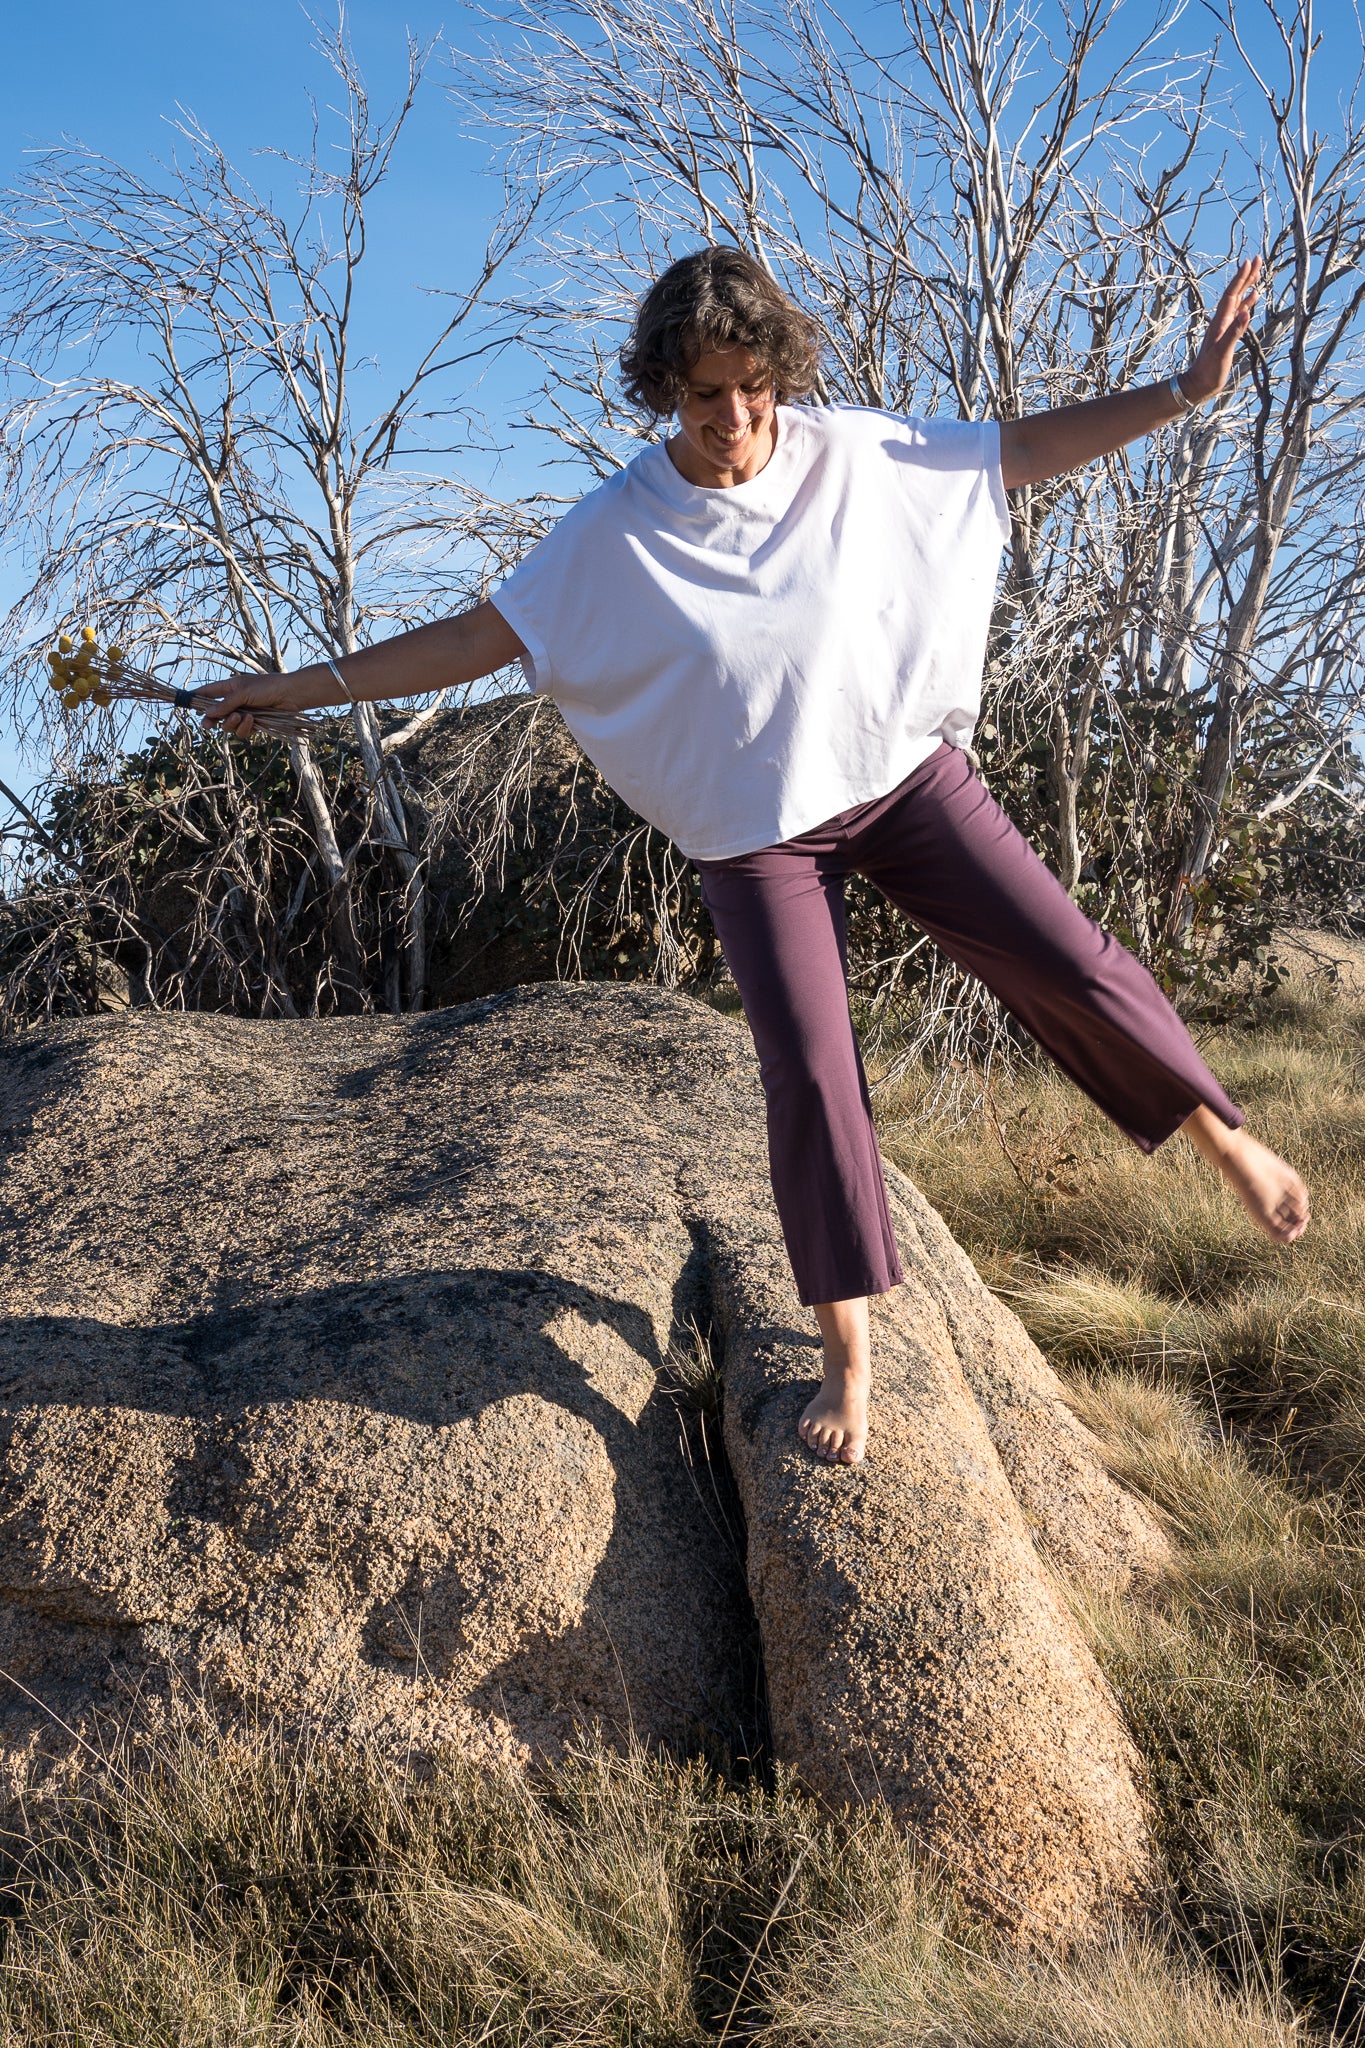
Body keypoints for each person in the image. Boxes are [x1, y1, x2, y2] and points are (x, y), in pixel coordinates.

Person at [198, 244, 1310, 1468]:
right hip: (756, 836)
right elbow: (474, 639)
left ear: (779, 375)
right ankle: (849, 1353)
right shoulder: (614, 529)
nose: (733, 417)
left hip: (900, 779)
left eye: (753, 388)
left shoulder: (856, 453)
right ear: (663, 391)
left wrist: (1183, 390)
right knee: (814, 1078)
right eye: (703, 394)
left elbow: (1021, 448)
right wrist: (292, 688)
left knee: (1065, 955)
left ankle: (1228, 1141)